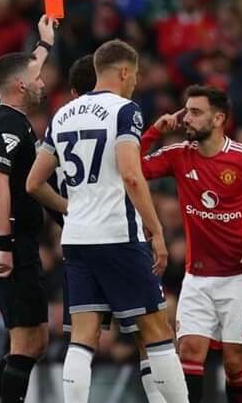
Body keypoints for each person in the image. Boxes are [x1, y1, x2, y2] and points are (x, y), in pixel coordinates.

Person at [41, 39, 188, 403]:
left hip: (76, 239)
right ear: (124, 72)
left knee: (83, 337)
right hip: (118, 235)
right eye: (135, 74)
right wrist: (155, 231)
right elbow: (132, 175)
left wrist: (72, 208)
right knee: (156, 329)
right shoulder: (126, 110)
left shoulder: (62, 113)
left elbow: (33, 181)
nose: (136, 81)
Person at [140, 85, 242, 403]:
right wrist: (155, 129)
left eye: (195, 112)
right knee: (190, 351)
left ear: (219, 118)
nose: (186, 118)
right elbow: (131, 167)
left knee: (235, 361)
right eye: (186, 110)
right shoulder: (178, 155)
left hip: (240, 275)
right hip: (197, 276)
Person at [0, 15, 66, 403]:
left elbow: (20, 74)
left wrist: (44, 45)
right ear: (21, 86)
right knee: (27, 344)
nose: (44, 82)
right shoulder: (11, 129)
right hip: (12, 243)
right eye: (38, 77)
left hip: (10, 241)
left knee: (33, 342)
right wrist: (7, 244)